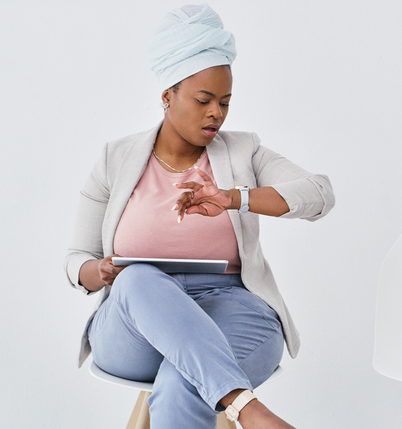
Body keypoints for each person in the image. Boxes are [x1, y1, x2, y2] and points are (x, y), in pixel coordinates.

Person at [63, 4, 335, 428]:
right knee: (138, 277)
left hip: (232, 307)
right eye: (204, 100)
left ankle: (233, 397)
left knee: (181, 382)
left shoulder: (244, 151)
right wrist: (97, 271)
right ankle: (247, 408)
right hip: (134, 325)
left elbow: (319, 195)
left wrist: (233, 197)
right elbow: (75, 259)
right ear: (167, 95)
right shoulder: (114, 160)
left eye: (225, 102)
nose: (217, 113)